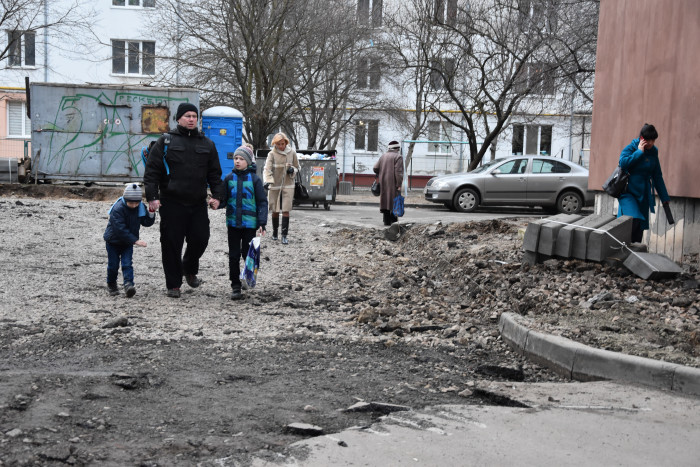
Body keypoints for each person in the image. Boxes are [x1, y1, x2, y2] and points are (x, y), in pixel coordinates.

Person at [143, 102, 225, 298]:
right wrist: (152, 197)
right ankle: (173, 284)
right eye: (187, 116)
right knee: (171, 243)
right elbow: (152, 172)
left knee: (201, 239)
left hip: (197, 203)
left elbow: (215, 174)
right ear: (178, 118)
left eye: (194, 116)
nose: (191, 119)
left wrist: (217, 196)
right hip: (172, 203)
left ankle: (188, 268)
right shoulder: (166, 141)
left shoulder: (207, 144)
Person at [220, 145, 268, 300]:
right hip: (233, 224)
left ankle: (247, 276)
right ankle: (235, 286)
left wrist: (262, 222)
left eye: (241, 159)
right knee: (233, 255)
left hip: (250, 224)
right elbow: (224, 200)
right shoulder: (228, 179)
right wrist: (216, 203)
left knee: (247, 254)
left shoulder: (255, 180)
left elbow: (262, 202)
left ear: (248, 161)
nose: (238, 161)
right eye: (235, 158)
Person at [617, 123, 671, 243]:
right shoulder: (631, 148)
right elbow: (623, 163)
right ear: (642, 139)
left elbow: (657, 175)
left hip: (643, 194)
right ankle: (623, 248)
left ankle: (635, 254)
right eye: (649, 140)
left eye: (653, 140)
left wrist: (664, 197)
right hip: (628, 192)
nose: (651, 143)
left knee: (639, 227)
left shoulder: (653, 152)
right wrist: (639, 152)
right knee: (633, 220)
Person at [103, 183, 155, 297]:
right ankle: (112, 284)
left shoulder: (140, 207)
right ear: (125, 200)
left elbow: (146, 222)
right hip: (113, 242)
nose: (134, 205)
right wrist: (135, 241)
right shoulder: (117, 209)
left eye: (137, 202)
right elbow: (120, 229)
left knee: (127, 264)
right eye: (131, 202)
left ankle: (128, 285)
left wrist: (151, 212)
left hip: (128, 243)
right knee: (113, 265)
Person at [263, 132, 299, 244]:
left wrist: (293, 170)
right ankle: (274, 233)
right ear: (275, 144)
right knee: (275, 209)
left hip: (288, 185)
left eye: (282, 143)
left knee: (286, 210)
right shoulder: (271, 154)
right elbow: (267, 169)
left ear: (286, 143)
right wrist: (268, 181)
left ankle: (284, 235)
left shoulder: (292, 152)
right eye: (278, 144)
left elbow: (297, 166)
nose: (281, 146)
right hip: (275, 185)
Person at [373, 140, 404, 226]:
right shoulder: (398, 157)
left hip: (383, 182)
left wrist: (382, 173)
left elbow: (375, 168)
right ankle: (394, 223)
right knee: (394, 201)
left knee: (385, 200)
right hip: (393, 182)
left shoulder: (383, 156)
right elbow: (398, 172)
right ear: (397, 148)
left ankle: (386, 221)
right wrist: (399, 184)